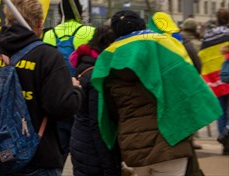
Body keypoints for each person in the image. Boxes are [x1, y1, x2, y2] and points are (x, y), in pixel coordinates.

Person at [92, 10, 221, 176]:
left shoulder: (109, 61)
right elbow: (189, 90)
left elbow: (109, 113)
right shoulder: (164, 49)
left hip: (134, 148)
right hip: (170, 143)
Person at [0, 0, 82, 176]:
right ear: (39, 23)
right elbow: (60, 107)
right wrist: (75, 90)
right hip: (39, 158)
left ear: (8, 20)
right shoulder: (48, 57)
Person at [42, 0, 94, 159]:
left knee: (61, 146)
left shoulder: (49, 34)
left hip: (58, 94)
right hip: (83, 95)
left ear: (60, 11)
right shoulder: (88, 31)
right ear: (80, 10)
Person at [69, 25, 121, 176]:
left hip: (80, 142)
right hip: (91, 150)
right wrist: (110, 167)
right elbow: (97, 125)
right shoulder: (96, 77)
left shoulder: (84, 65)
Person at [199, 7, 229, 155]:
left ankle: (225, 143)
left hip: (215, 79)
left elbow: (203, 56)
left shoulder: (208, 35)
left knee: (221, 112)